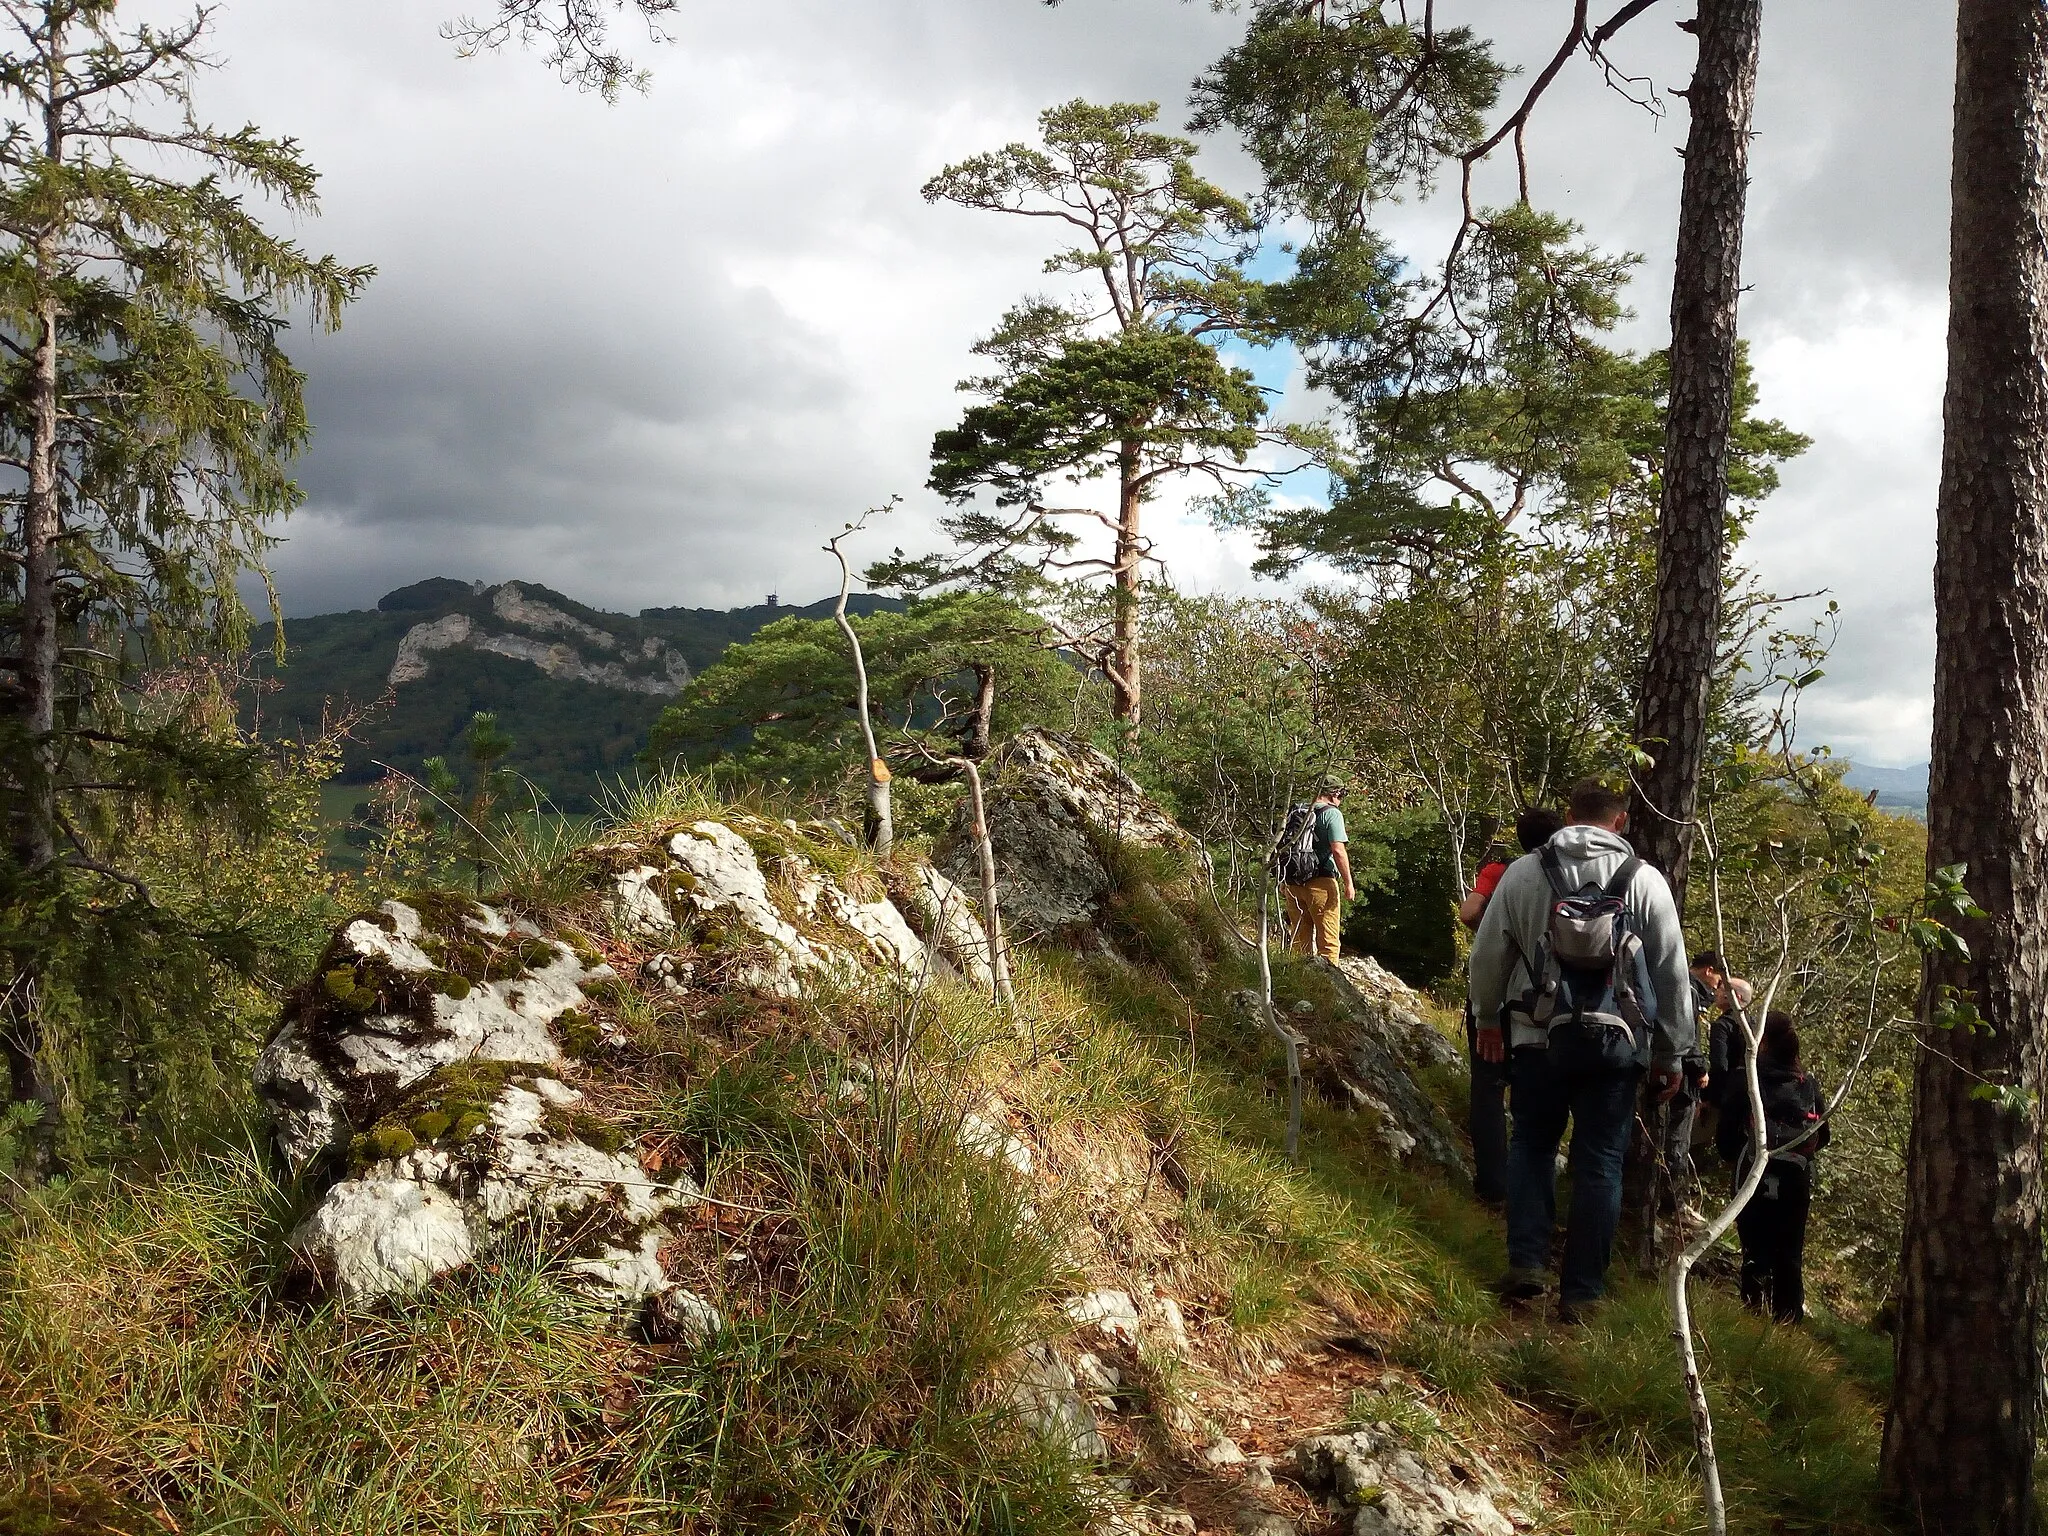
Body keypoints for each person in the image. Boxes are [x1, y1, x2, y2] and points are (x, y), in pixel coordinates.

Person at [1468, 779, 1694, 1321]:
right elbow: (1671, 973)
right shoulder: (1645, 882)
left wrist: (1487, 1018)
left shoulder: (1524, 872)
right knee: (1600, 1164)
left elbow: (1488, 952)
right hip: (1615, 1044)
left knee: (1532, 1147)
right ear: (1620, 822)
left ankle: (1526, 1264)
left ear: (1569, 816)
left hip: (1535, 1035)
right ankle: (1584, 1294)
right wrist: (1671, 1053)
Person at [1460, 806, 1565, 1205]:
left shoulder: (1502, 871)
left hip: (1493, 995)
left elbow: (1469, 912)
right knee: (1534, 1093)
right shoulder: (1564, 877)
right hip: (1541, 1004)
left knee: (1487, 1088)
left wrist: (1494, 930)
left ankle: (1492, 1184)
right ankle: (1533, 1190)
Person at [1718, 1012, 1829, 1323]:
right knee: (1790, 1253)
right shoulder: (1807, 1083)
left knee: (1755, 1250)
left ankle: (1753, 1318)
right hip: (1795, 1178)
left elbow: (1726, 1135)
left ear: (1761, 1041)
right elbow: (1824, 1134)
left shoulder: (1746, 1078)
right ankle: (1789, 1322)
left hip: (1752, 1172)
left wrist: (1734, 1155)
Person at [1281, 775, 1356, 962]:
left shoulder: (1298, 812)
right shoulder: (1332, 814)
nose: (1341, 799)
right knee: (1328, 940)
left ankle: (1300, 983)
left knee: (1299, 940)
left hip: (1292, 883)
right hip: (1321, 883)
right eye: (1342, 794)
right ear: (1334, 793)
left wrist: (1282, 880)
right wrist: (1348, 883)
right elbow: (1338, 850)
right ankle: (1330, 988)